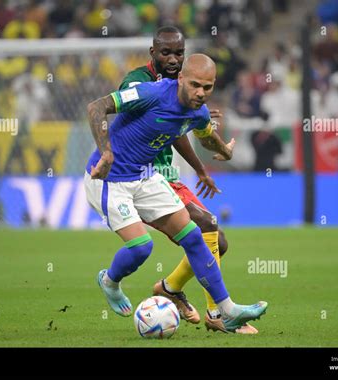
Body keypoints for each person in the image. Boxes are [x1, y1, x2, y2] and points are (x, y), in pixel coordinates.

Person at [84, 54, 268, 333]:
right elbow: (96, 108)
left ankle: (227, 312)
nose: (200, 93)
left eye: (207, 88)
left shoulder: (199, 112)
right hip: (109, 178)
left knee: (195, 237)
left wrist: (224, 150)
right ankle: (110, 281)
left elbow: (205, 135)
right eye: (194, 85)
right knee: (142, 248)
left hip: (144, 176)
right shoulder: (151, 93)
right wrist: (107, 152)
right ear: (180, 78)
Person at [119, 26, 257, 334]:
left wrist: (200, 169)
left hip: (168, 176)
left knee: (217, 243)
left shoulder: (184, 87)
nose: (172, 59)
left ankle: (169, 287)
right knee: (207, 224)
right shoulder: (138, 83)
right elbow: (132, 123)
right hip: (140, 177)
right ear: (152, 53)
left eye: (178, 53)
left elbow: (176, 130)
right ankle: (217, 314)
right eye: (166, 52)